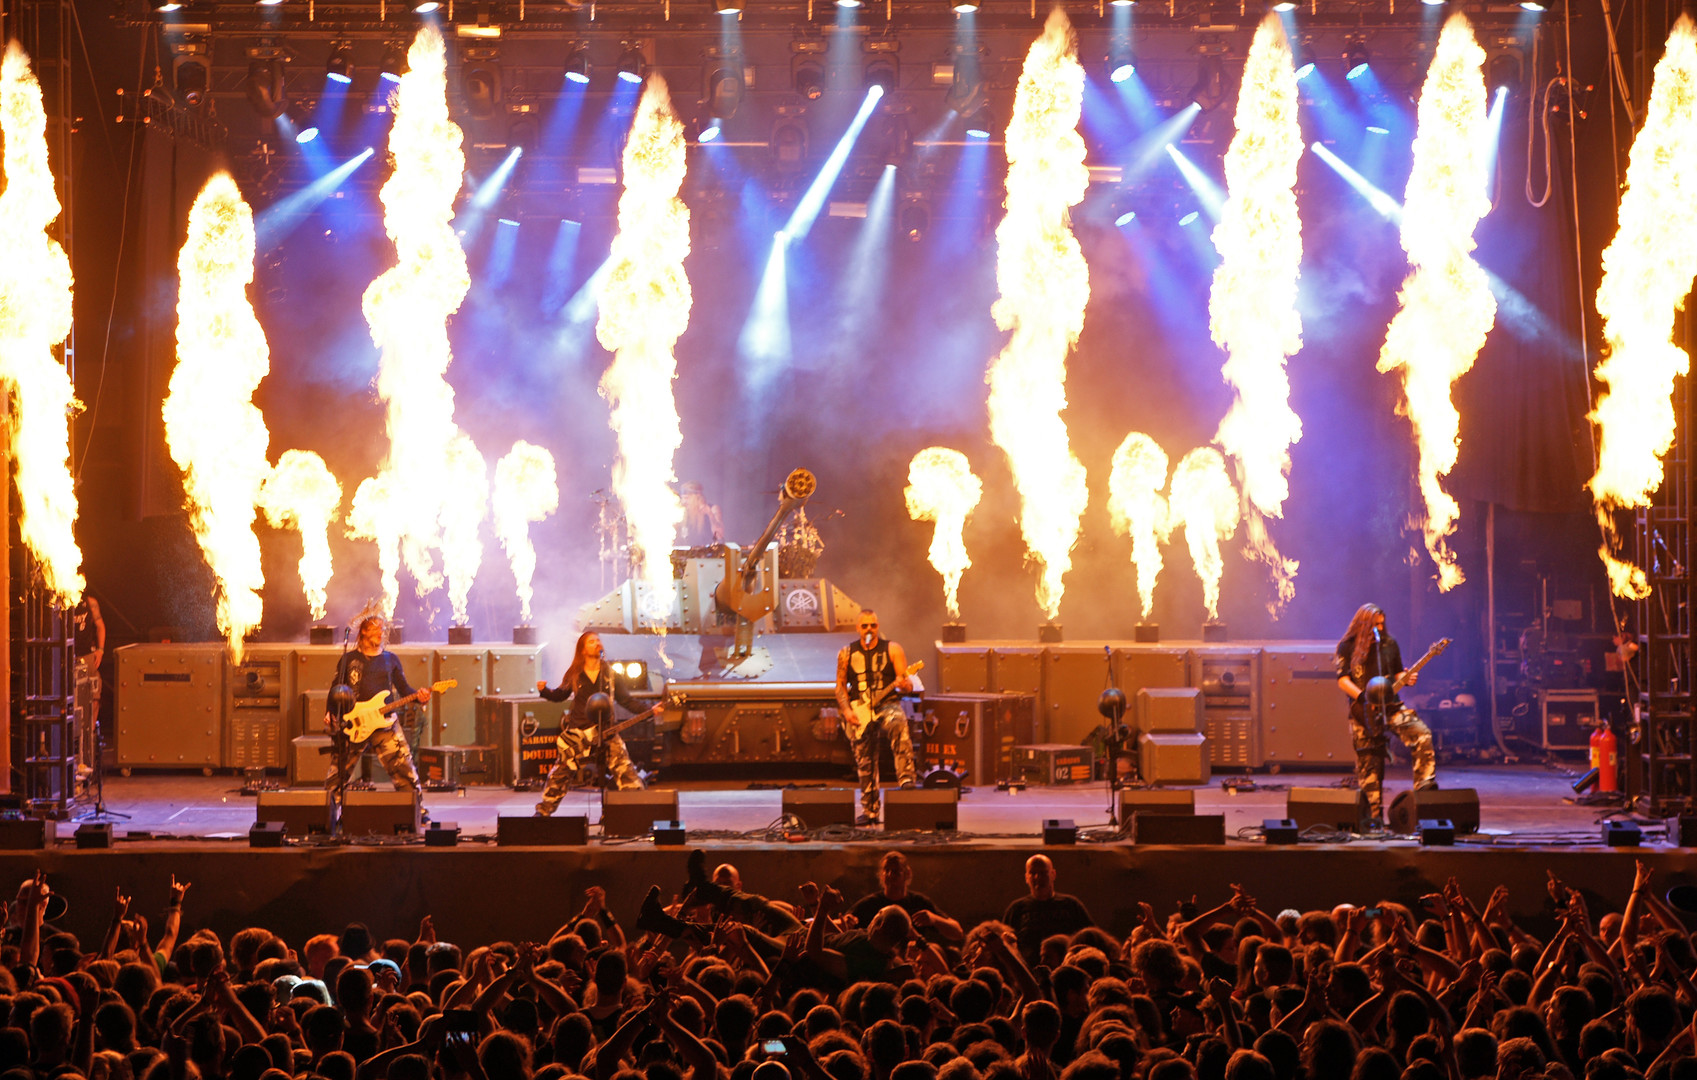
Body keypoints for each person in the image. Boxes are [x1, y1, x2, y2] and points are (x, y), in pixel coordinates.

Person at [1334, 603, 1436, 828]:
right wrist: (1362, 696)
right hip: (1363, 711)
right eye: (1375, 625)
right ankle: (1373, 818)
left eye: (1381, 624)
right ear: (1363, 624)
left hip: (1391, 706)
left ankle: (1424, 793)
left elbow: (1398, 672)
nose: (1379, 628)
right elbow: (1343, 679)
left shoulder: (1389, 644)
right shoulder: (1347, 646)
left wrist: (1407, 678)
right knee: (1369, 763)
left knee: (1422, 734)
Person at [534, 631, 646, 815]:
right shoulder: (575, 673)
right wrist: (544, 690)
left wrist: (650, 710)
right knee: (560, 774)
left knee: (626, 771)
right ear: (583, 650)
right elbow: (560, 695)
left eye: (598, 640)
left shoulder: (611, 674)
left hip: (606, 731)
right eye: (591, 641)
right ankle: (543, 812)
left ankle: (636, 813)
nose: (597, 643)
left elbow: (627, 701)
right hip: (578, 732)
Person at [324, 616, 428, 792]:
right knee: (336, 777)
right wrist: (330, 711)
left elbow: (404, 689)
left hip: (385, 723)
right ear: (364, 631)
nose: (380, 632)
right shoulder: (349, 659)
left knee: (404, 771)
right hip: (355, 722)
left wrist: (419, 697)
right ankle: (331, 807)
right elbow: (336, 689)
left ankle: (415, 806)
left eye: (382, 629)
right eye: (375, 628)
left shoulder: (390, 659)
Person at [834, 610, 918, 827]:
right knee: (865, 758)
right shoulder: (846, 653)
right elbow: (840, 687)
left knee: (897, 722)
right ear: (858, 628)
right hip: (859, 708)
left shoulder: (893, 649)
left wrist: (904, 684)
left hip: (887, 703)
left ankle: (906, 777)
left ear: (878, 626)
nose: (869, 629)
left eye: (873, 625)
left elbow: (907, 684)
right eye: (865, 626)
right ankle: (870, 810)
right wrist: (847, 711)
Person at [849, 851, 963, 944]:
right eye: (886, 870)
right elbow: (843, 924)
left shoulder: (919, 903)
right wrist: (847, 922)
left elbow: (958, 933)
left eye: (895, 871)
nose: (890, 874)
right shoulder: (870, 904)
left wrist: (934, 919)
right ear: (881, 875)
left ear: (907, 873)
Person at [1001, 854, 1093, 965]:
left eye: (1043, 873)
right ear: (1026, 877)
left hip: (1066, 969)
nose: (1037, 877)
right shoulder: (1016, 909)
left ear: (1053, 874)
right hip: (1028, 970)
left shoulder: (1071, 905)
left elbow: (1090, 937)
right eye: (1033, 873)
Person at [72, 595, 106, 784]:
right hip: (69, 654)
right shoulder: (61, 598)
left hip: (88, 656)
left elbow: (100, 625)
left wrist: (100, 649)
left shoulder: (90, 602)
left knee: (94, 696)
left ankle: (90, 738)